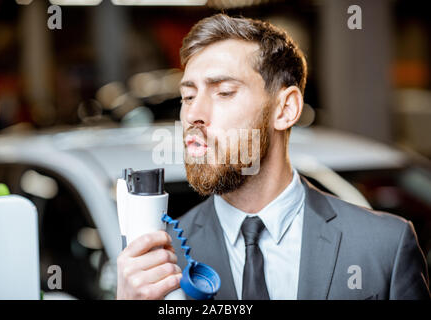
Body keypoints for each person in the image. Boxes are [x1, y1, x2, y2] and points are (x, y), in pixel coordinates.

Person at [116, 14, 430, 300]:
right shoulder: (157, 261)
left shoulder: (384, 245)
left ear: (285, 109)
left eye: (224, 92)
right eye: (188, 96)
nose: (193, 114)